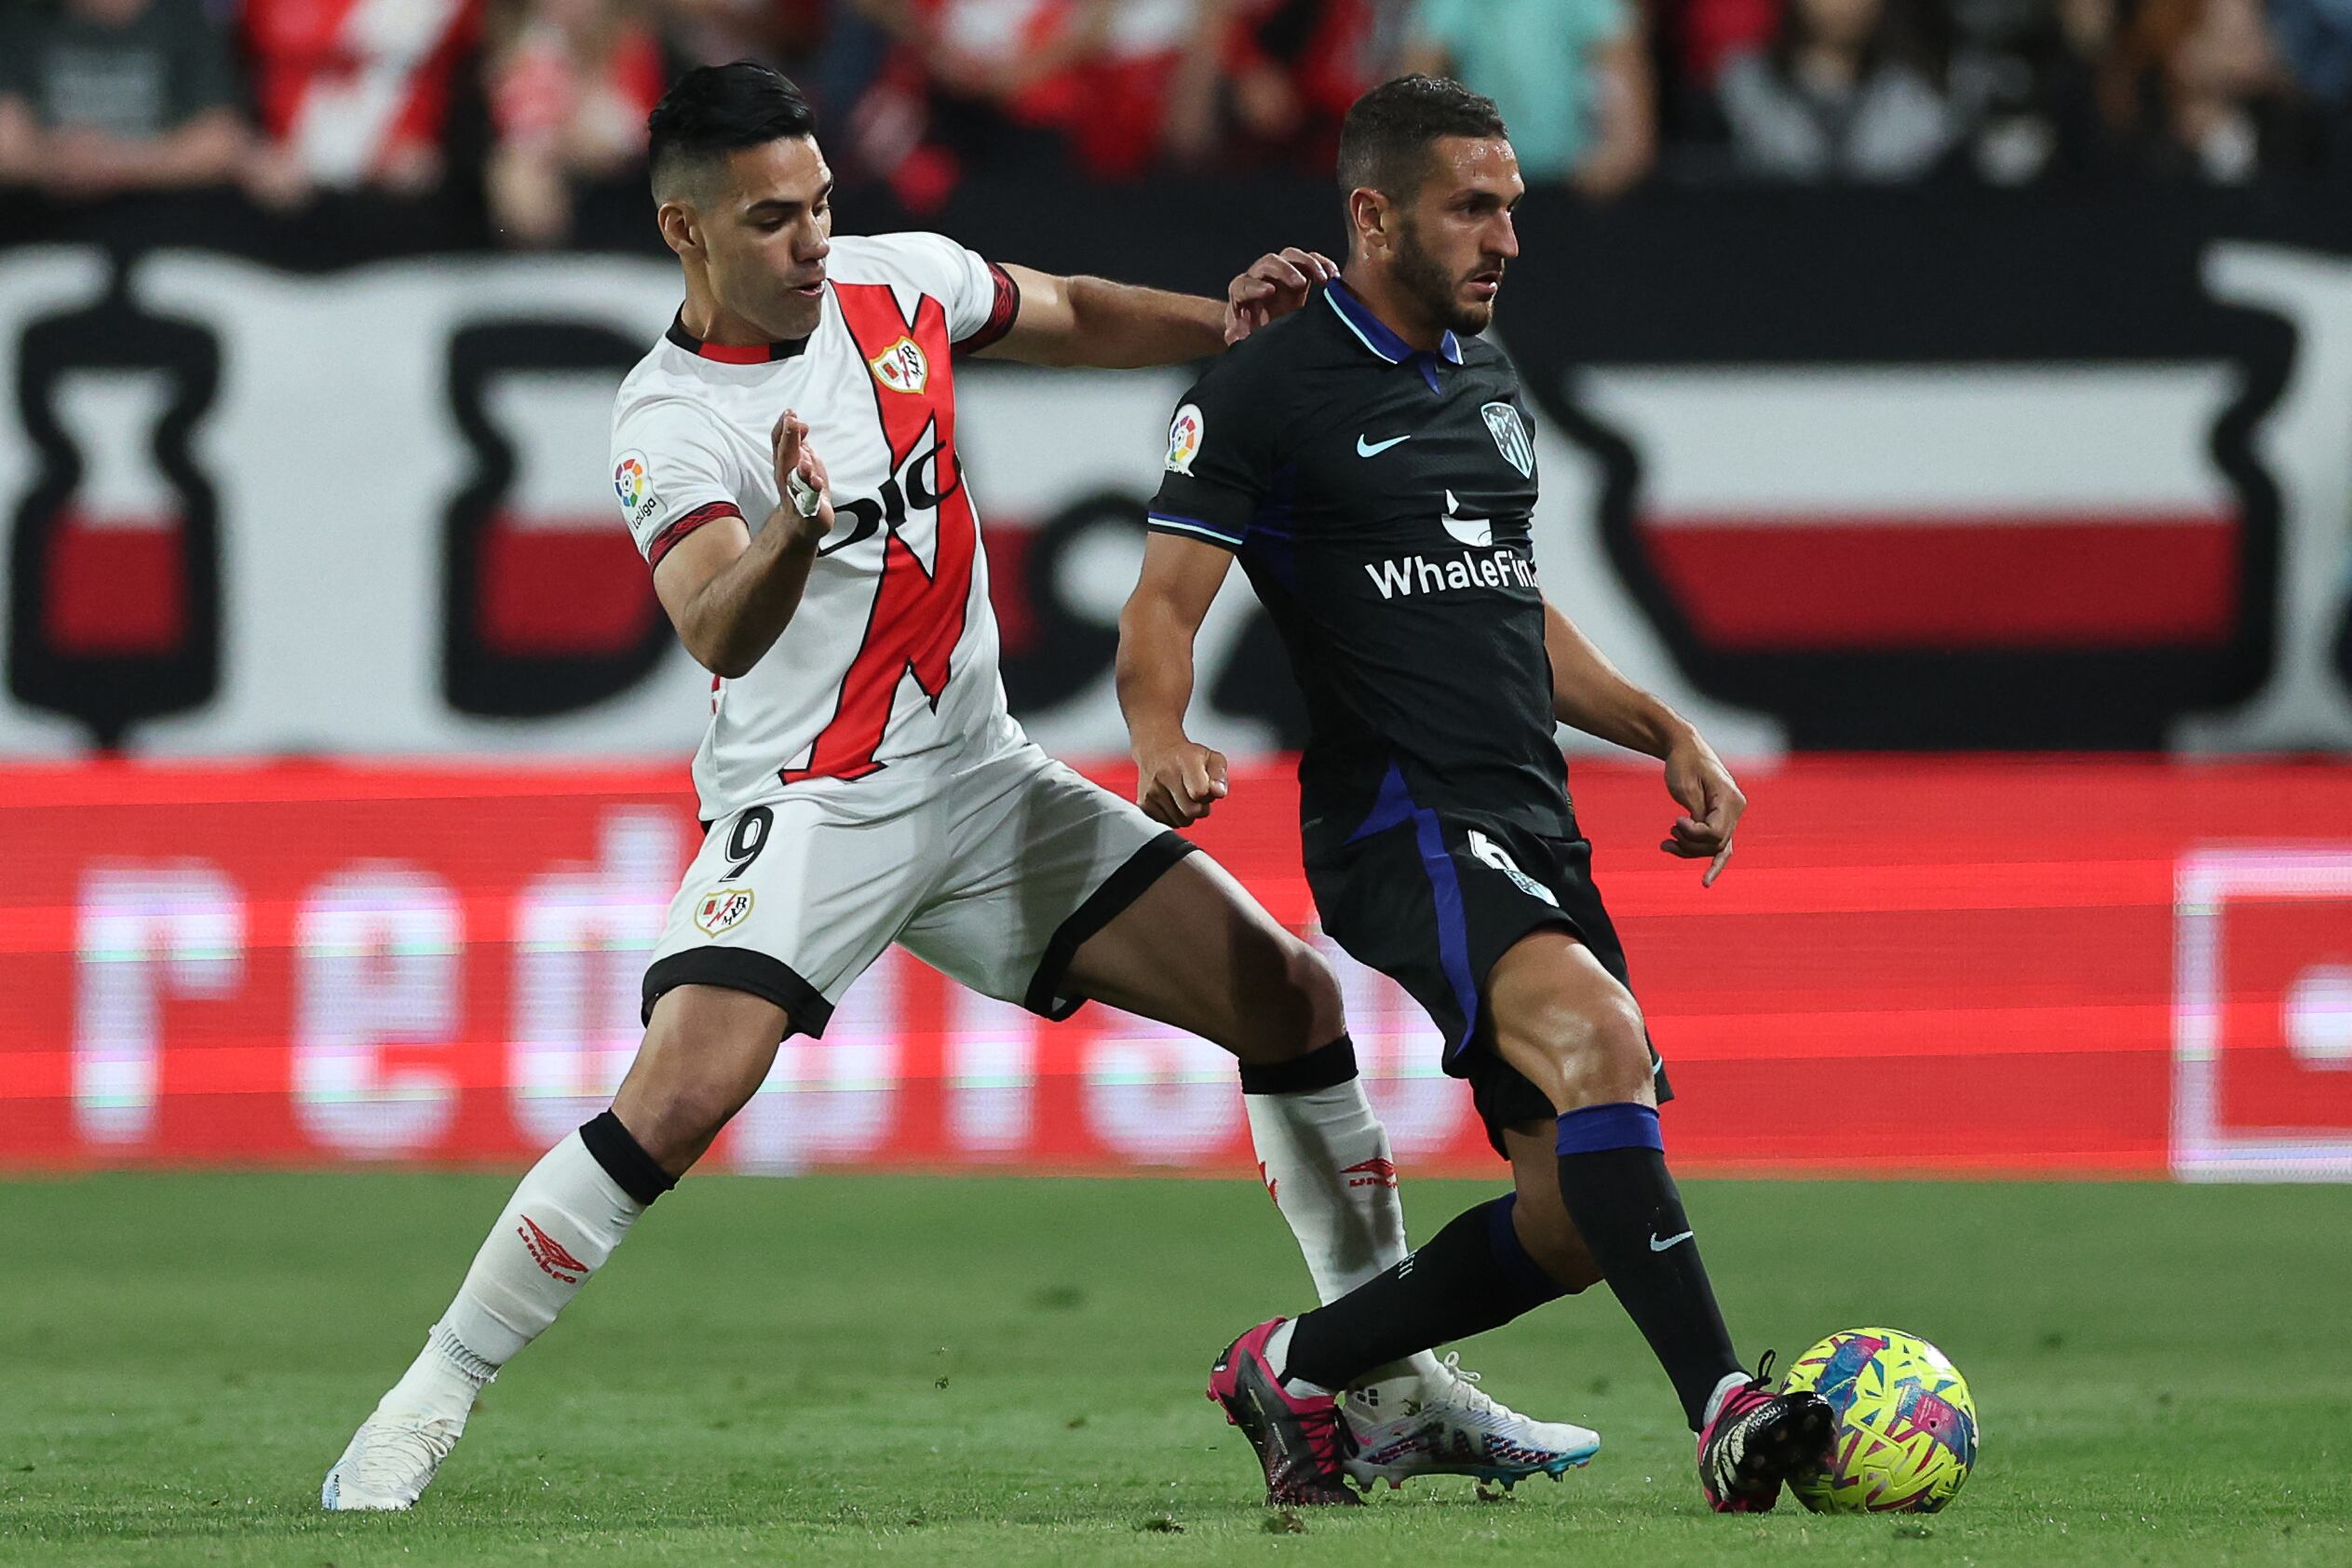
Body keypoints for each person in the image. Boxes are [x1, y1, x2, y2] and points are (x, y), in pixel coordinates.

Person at [319, 60, 1590, 1513]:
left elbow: (1061, 310)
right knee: (677, 1098)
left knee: (1289, 1002)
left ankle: (1384, 1384)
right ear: (687, 233)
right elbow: (713, 624)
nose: (810, 243)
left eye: (821, 206)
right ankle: (428, 1401)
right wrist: (798, 522)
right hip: (816, 804)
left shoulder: (894, 284)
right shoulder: (665, 421)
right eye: (771, 221)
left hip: (985, 783)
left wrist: (1223, 335)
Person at [1115, 73, 1834, 1511]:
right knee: (1597, 1037)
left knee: (1569, 1221)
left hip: (1529, 818)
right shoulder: (1262, 388)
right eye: (1471, 207)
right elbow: (1157, 611)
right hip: (1403, 820)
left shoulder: (1484, 380)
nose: (1505, 236)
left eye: (1510, 205)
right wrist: (1161, 736)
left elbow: (1503, 601)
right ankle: (1723, 1409)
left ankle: (1296, 1367)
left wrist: (1654, 724)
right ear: (1372, 215)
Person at [0, 0, 250, 201]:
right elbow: (6, 139)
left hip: (161, 219)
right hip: (44, 224)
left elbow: (219, 141)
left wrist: (120, 161)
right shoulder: (25, 14)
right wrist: (52, 160)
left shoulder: (183, 16)